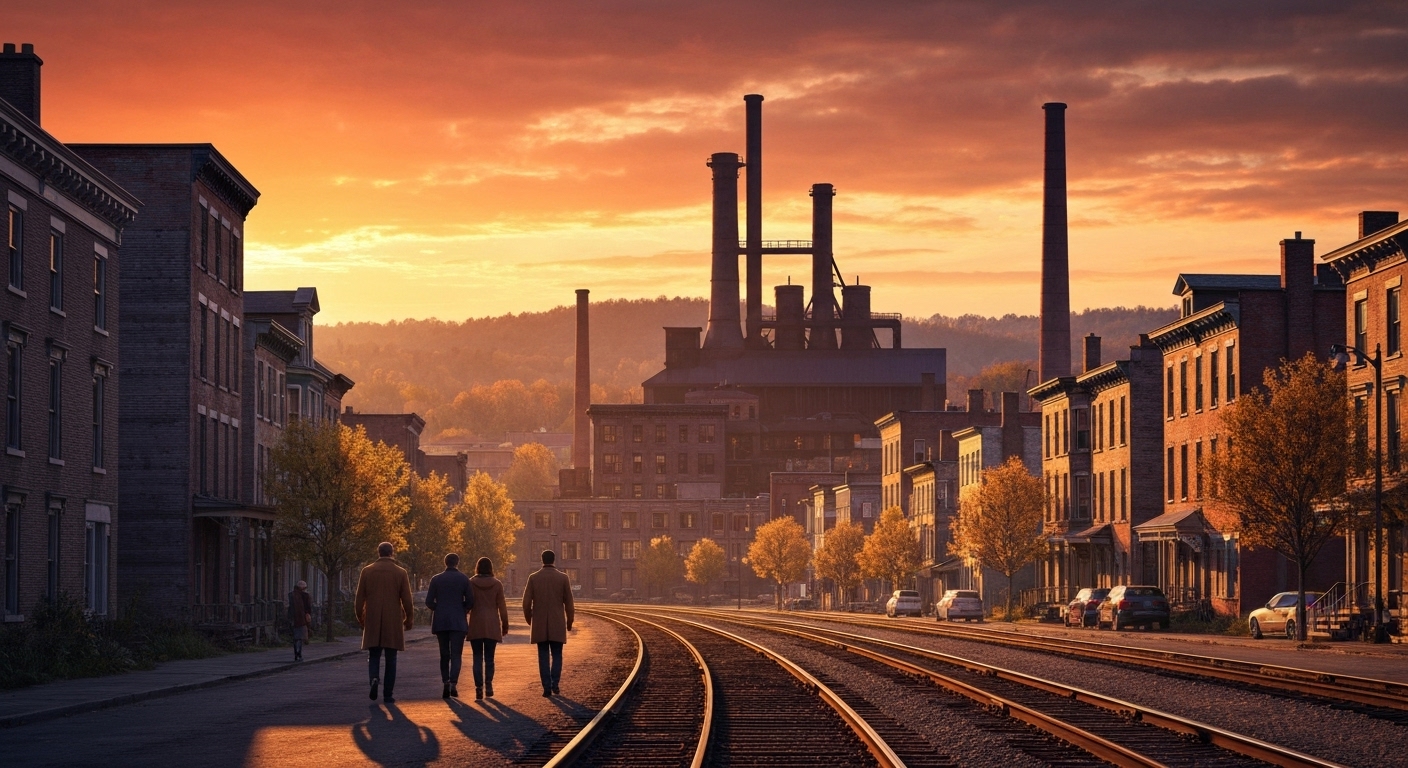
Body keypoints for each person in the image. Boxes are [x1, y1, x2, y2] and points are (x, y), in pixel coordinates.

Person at [355, 541, 414, 705]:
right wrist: (409, 618)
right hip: (392, 620)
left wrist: (360, 617)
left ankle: (374, 678)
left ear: (378, 553)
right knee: (391, 657)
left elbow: (359, 598)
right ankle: (388, 694)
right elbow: (407, 599)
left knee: (373, 654)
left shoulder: (367, 571)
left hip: (373, 618)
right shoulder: (400, 573)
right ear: (392, 553)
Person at [522, 549, 574, 697]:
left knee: (543, 655)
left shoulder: (533, 578)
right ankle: (555, 683)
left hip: (539, 623)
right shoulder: (563, 578)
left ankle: (546, 687)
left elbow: (526, 603)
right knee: (557, 655)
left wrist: (529, 619)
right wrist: (569, 621)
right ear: (554, 560)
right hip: (557, 622)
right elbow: (569, 603)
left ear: (542, 560)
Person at [424, 552, 472, 699]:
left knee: (444, 654)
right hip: (458, 621)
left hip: (441, 620)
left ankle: (445, 681)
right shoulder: (464, 579)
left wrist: (438, 608)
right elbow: (470, 601)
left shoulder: (436, 579)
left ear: (445, 563)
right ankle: (453, 683)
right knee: (456, 654)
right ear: (457, 562)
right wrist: (462, 608)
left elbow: (428, 601)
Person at [468, 557, 510, 701]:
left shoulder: (471, 583)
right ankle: (489, 685)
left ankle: (478, 688)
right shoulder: (497, 584)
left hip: (476, 623)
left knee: (477, 658)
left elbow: (468, 603)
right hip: (492, 623)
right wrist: (505, 624)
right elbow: (502, 606)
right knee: (490, 658)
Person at [287, 580, 313, 662]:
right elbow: (308, 608)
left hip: (293, 619)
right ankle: (299, 654)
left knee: (295, 637)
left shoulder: (291, 595)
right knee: (300, 637)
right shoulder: (306, 596)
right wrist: (308, 616)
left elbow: (290, 607)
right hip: (302, 619)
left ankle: (296, 654)